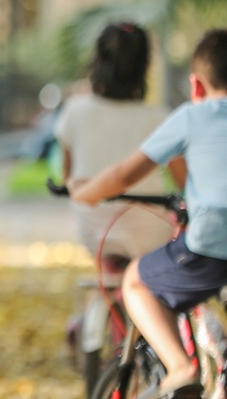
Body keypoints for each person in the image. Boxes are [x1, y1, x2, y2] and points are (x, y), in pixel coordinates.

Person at [72, 29, 227, 399]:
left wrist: (83, 192)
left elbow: (122, 176)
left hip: (218, 242)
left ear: (196, 86)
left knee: (137, 281)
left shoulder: (191, 116)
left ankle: (181, 369)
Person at [54, 22, 176, 261]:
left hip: (92, 232)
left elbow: (68, 177)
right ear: (146, 66)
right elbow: (186, 184)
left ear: (97, 61)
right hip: (150, 233)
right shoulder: (161, 119)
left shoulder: (74, 111)